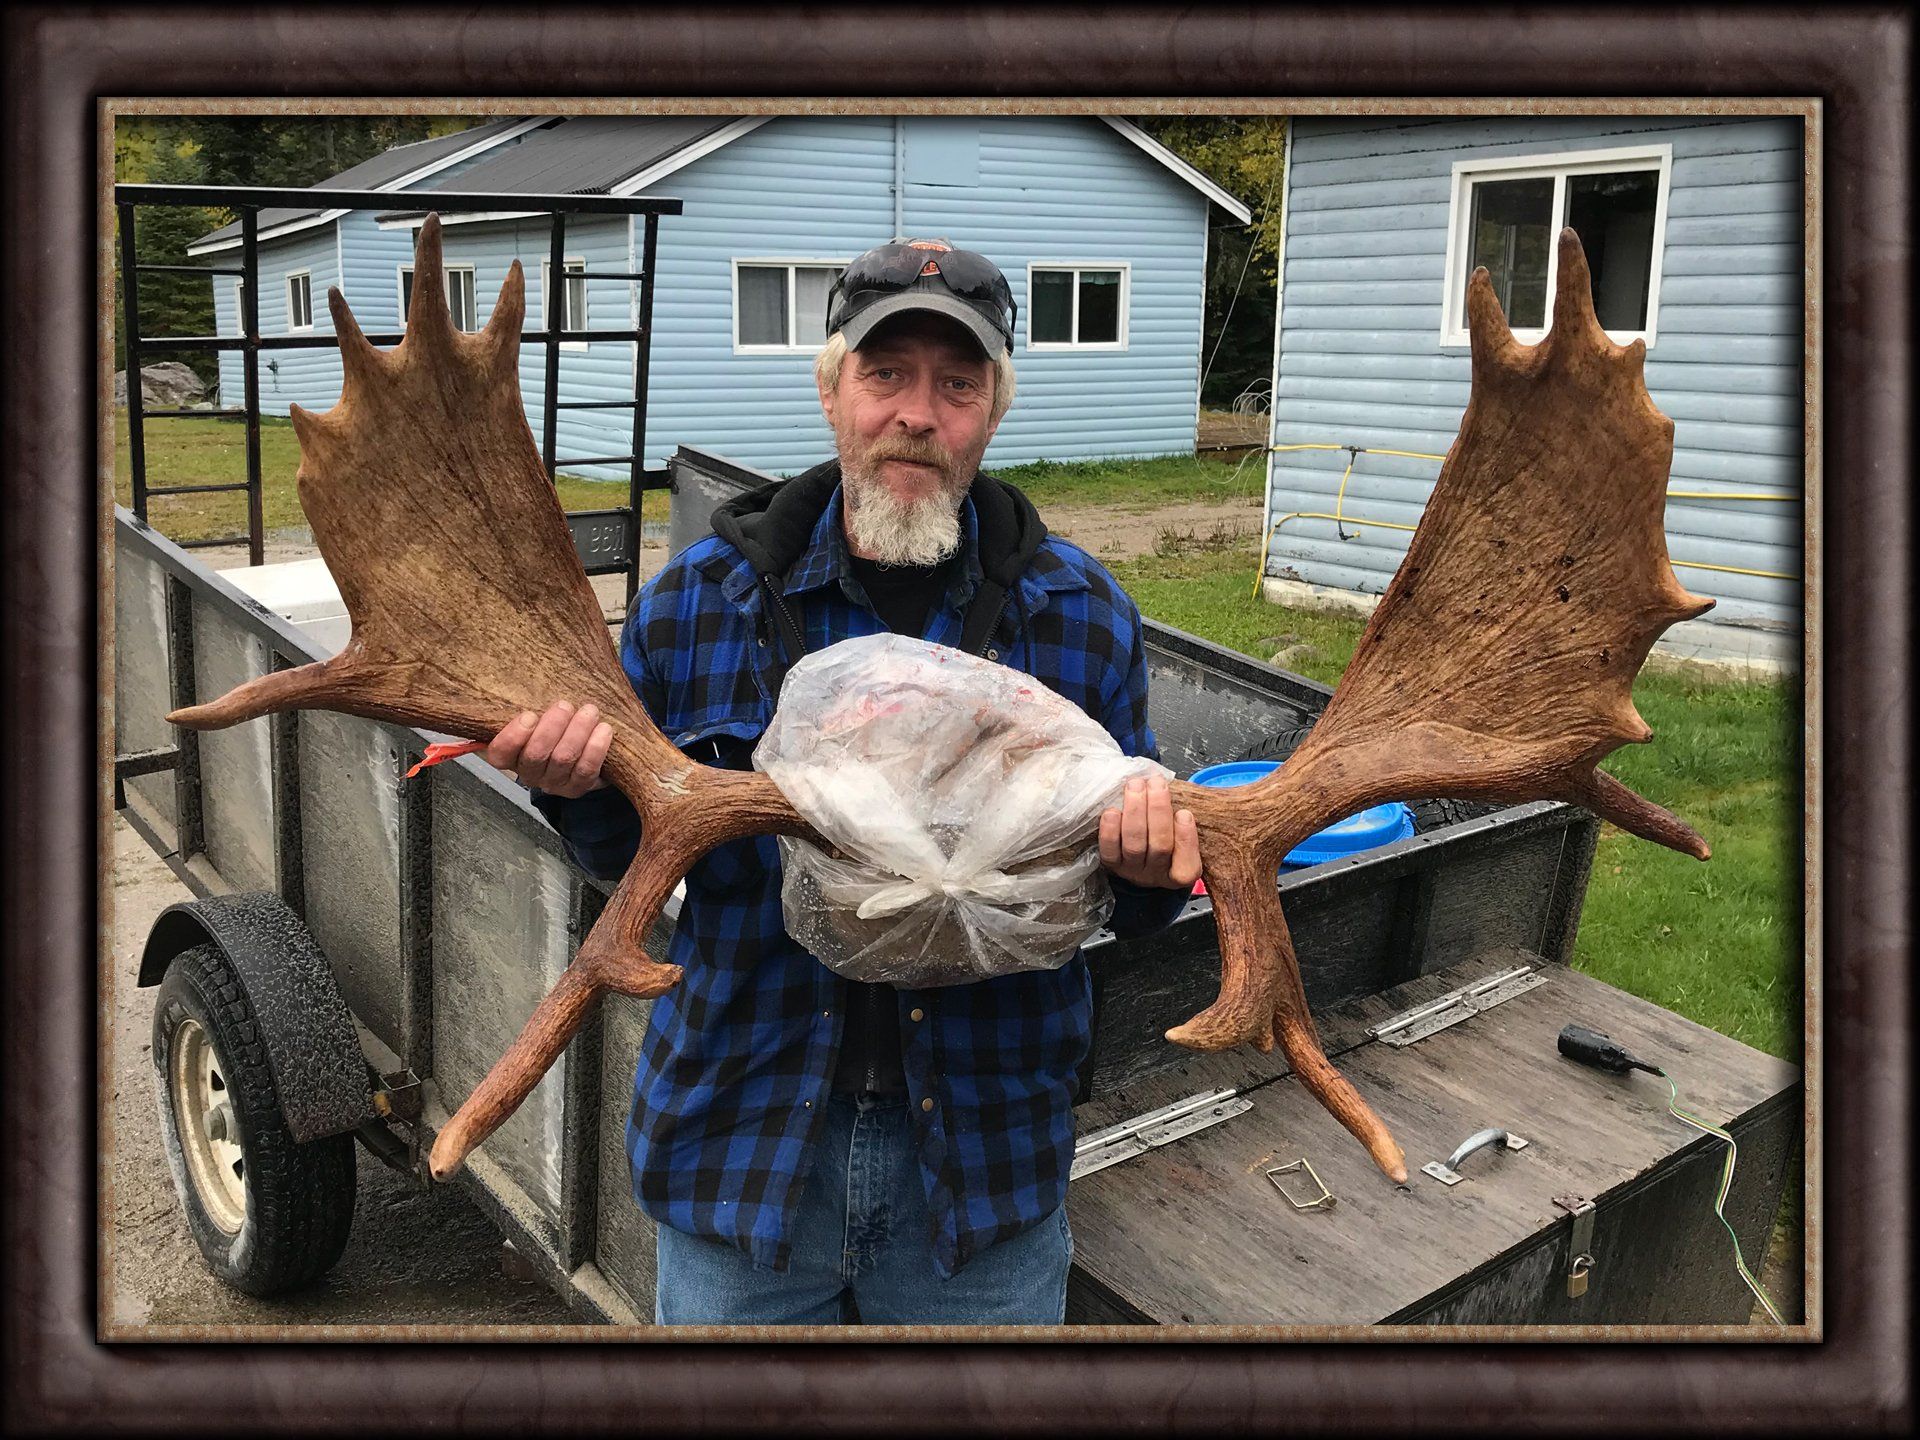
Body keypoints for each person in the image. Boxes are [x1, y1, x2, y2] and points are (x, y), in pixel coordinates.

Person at [484, 238, 1202, 1325]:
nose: (918, 414)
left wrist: (1153, 866)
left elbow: (1129, 896)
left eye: (958, 384)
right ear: (832, 392)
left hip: (983, 1169)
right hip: (749, 1154)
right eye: (886, 375)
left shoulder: (1078, 614)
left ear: (993, 413)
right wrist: (575, 784)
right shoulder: (701, 605)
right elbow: (626, 858)